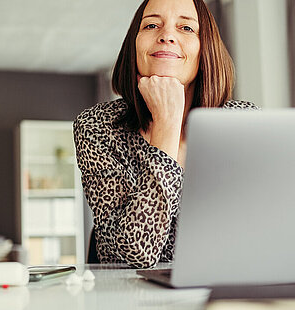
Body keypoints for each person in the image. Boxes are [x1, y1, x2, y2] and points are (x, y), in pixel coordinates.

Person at [73, 0, 259, 269]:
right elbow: (134, 256)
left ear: (205, 48)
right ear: (133, 46)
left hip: (224, 288)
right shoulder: (98, 127)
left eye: (185, 27)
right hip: (130, 300)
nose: (167, 35)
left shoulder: (243, 124)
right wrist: (167, 125)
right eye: (151, 25)